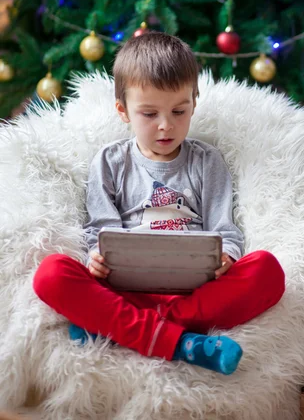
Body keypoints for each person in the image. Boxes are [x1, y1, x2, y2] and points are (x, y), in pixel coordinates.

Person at [33, 32, 285, 376]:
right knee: (51, 274)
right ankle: (184, 344)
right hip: (125, 290)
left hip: (194, 293)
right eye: (149, 114)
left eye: (179, 111)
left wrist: (227, 257)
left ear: (193, 104)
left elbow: (225, 229)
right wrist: (95, 259)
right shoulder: (110, 161)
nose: (166, 125)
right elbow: (100, 231)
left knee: (268, 271)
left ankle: (121, 329)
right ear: (123, 111)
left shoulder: (207, 161)